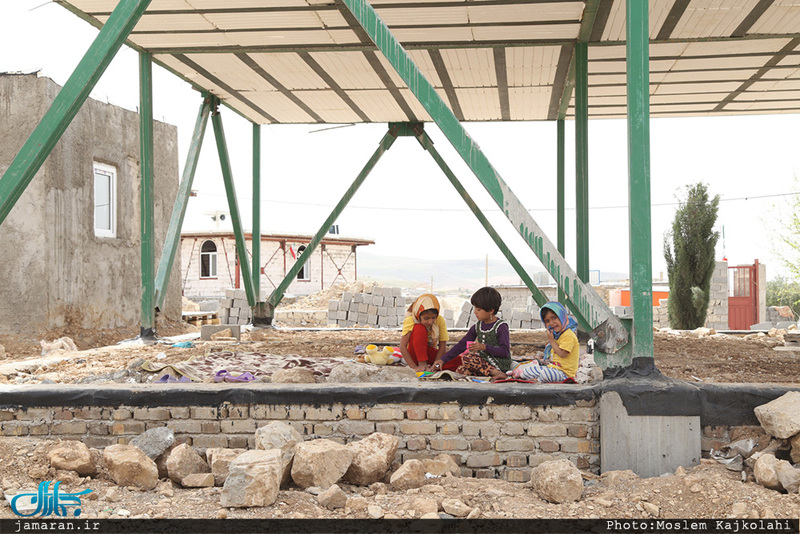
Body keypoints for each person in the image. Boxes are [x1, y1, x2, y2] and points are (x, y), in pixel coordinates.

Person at [434, 287, 512, 381]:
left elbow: (505, 352)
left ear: (491, 310)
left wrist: (484, 347)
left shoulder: (501, 326)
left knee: (467, 357)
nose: (475, 312)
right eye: (475, 308)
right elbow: (461, 346)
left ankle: (499, 373)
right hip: (483, 364)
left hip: (499, 364)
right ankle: (490, 375)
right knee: (461, 370)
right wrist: (442, 360)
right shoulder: (477, 326)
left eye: (478, 310)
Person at [511, 301, 579, 383]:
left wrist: (552, 341)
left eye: (554, 318)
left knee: (545, 373)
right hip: (554, 368)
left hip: (565, 373)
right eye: (547, 321)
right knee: (530, 369)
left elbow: (563, 354)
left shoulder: (568, 335)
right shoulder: (558, 335)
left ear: (562, 316)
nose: (551, 323)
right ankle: (521, 374)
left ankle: (538, 380)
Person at [399, 294, 448, 372]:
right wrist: (414, 367)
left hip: (430, 354)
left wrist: (437, 364)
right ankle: (422, 364)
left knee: (458, 361)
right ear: (419, 314)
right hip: (414, 356)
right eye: (426, 318)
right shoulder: (411, 320)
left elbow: (442, 346)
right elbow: (402, 346)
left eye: (433, 318)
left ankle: (430, 367)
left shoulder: (440, 320)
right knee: (419, 328)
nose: (430, 322)